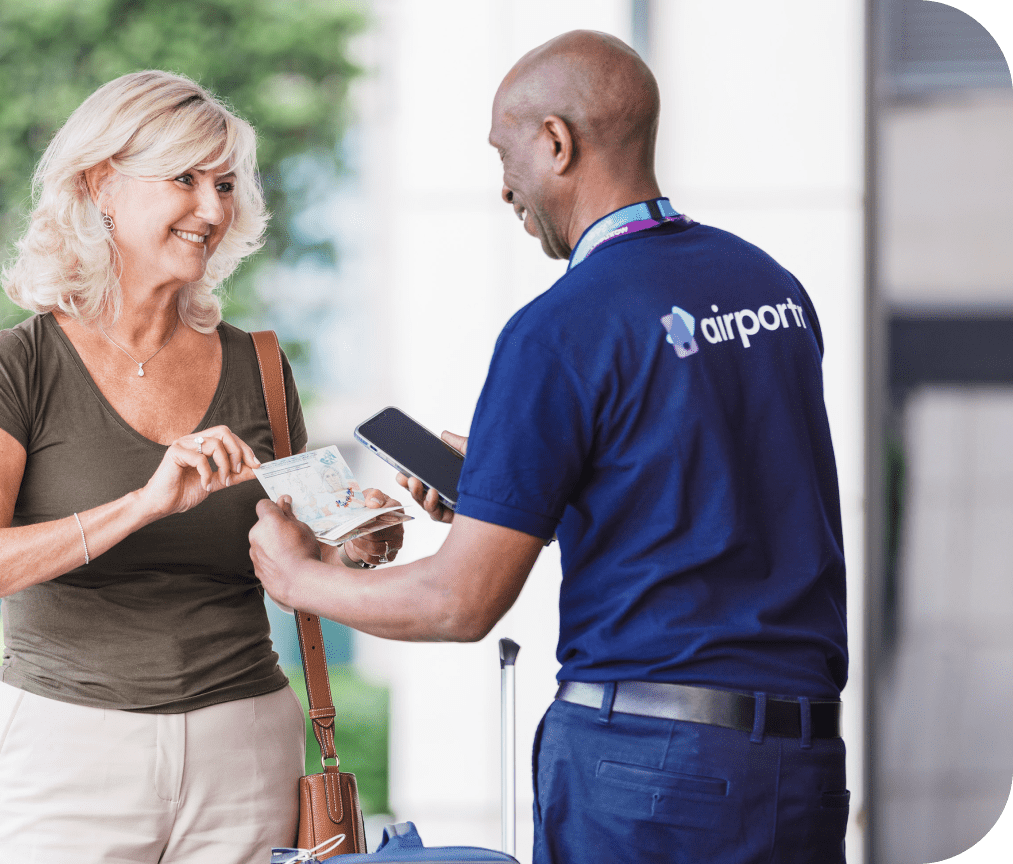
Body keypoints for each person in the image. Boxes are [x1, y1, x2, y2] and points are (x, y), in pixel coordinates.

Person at [249, 30, 848, 864]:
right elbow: (714, 496)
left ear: (557, 142)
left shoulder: (560, 328)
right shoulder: (771, 288)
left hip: (647, 772)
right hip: (803, 765)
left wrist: (298, 580)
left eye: (506, 156)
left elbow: (460, 604)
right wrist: (514, 481)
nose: (504, 190)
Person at [0, 70, 404, 864]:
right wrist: (141, 504)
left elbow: (298, 552)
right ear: (101, 185)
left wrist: (355, 539)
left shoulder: (258, 365)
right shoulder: (13, 367)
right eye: (183, 179)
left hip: (246, 745)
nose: (212, 209)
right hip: (66, 753)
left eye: (224, 184)